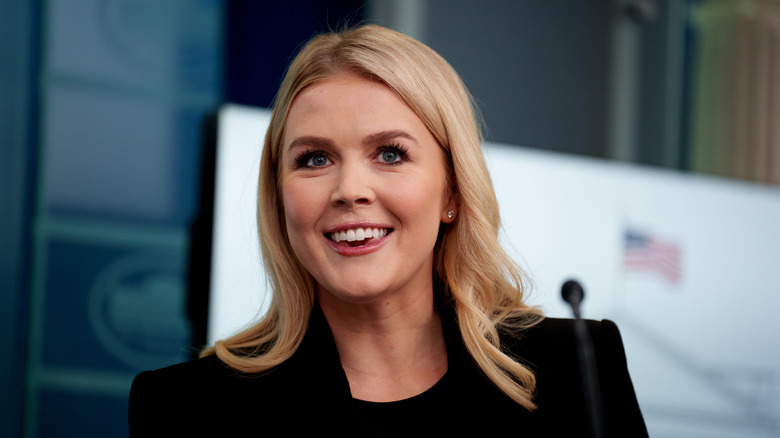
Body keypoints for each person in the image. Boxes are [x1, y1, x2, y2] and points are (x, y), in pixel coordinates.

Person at [129, 24, 648, 437]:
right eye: (314, 158)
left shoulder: (578, 367)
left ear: (452, 191)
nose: (349, 189)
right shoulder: (186, 409)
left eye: (390, 154)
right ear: (279, 195)